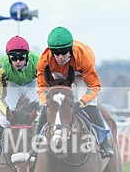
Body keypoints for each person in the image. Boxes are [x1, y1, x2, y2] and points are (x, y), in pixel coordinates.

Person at [35, 26, 114, 158]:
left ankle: (105, 142)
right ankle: (37, 139)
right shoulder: (44, 61)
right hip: (57, 74)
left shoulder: (83, 57)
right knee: (47, 105)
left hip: (79, 73)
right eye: (56, 53)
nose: (60, 57)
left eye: (64, 53)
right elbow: (41, 88)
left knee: (90, 105)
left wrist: (82, 103)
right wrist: (47, 102)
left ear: (70, 50)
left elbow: (94, 86)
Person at [0, 36, 40, 172]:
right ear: (8, 58)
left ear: (27, 56)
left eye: (21, 58)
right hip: (13, 85)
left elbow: (45, 89)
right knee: (4, 121)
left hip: (33, 83)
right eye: (14, 59)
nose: (18, 62)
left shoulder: (39, 63)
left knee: (38, 118)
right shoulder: (1, 69)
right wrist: (8, 112)